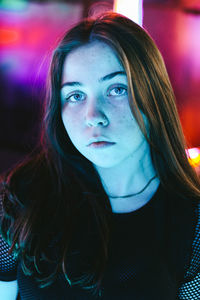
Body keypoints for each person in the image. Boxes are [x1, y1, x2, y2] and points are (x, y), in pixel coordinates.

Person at [0, 11, 200, 300]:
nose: (94, 116)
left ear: (153, 95)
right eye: (75, 96)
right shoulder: (21, 199)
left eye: (116, 89)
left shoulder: (191, 222)